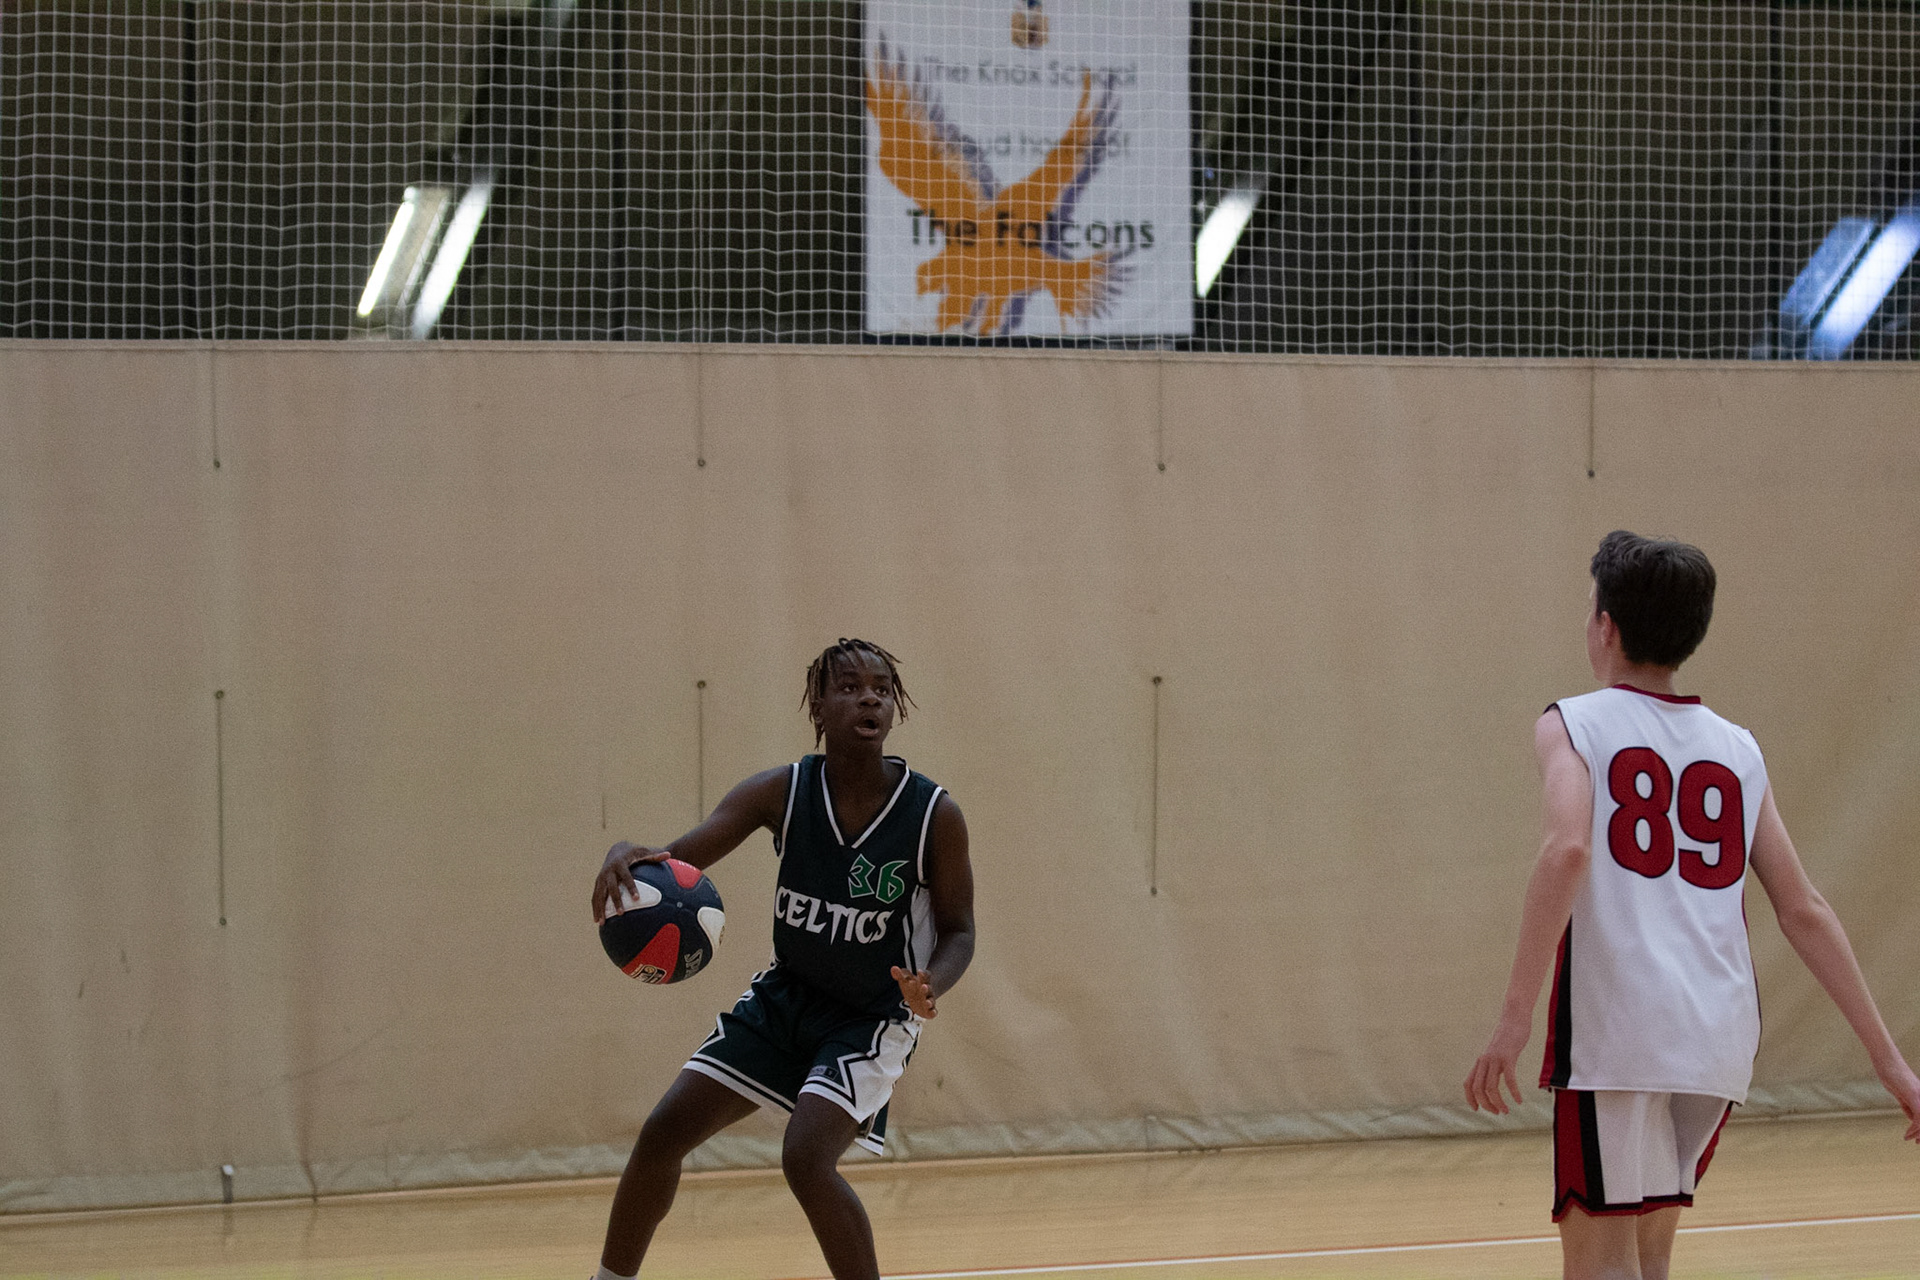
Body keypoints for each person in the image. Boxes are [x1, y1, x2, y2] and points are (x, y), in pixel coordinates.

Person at [1464, 530, 1920, 1280]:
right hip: (1716, 1039)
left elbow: (1568, 849)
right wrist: (1892, 1064)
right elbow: (1803, 908)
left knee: (1601, 1265)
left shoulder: (1573, 722)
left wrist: (1514, 1018)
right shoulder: (1737, 748)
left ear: (1606, 626)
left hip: (1618, 1036)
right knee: (1648, 1258)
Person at [587, 639, 975, 1280]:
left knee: (806, 1158)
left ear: (895, 707)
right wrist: (627, 853)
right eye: (848, 687)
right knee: (663, 1132)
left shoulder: (934, 813)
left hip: (871, 1017)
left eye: (881, 689)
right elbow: (678, 865)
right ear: (818, 707)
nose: (869, 698)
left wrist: (932, 983)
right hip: (785, 997)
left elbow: (959, 929)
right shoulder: (782, 791)